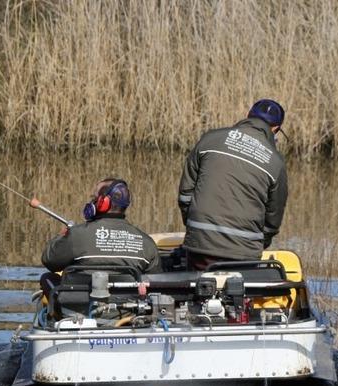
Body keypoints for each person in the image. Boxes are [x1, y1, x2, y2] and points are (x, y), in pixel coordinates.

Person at [177, 99, 288, 270]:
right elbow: (273, 220)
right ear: (275, 129)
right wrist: (256, 244)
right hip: (244, 252)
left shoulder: (210, 139)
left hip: (200, 244)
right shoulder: (276, 162)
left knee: (198, 290)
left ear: (248, 116)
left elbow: (185, 194)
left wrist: (194, 228)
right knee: (238, 292)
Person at [40, 178, 162, 297]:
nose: (92, 202)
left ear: (102, 203)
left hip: (76, 310)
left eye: (94, 198)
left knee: (47, 278)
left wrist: (62, 236)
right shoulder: (146, 243)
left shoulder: (76, 234)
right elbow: (155, 282)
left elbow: (50, 261)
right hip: (128, 313)